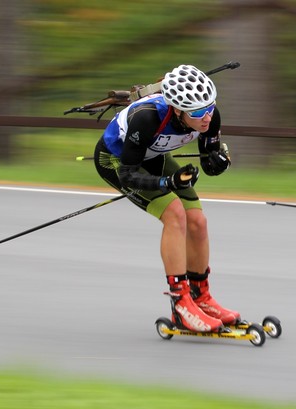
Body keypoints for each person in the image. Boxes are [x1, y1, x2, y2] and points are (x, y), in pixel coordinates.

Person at [93, 64, 239, 333]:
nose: (206, 117)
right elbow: (128, 174)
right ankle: (181, 305)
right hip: (118, 162)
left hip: (153, 155)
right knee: (175, 214)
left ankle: (201, 298)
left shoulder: (209, 115)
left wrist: (218, 161)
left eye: (210, 106)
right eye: (197, 112)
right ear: (178, 110)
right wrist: (166, 182)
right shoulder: (146, 118)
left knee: (198, 221)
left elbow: (209, 164)